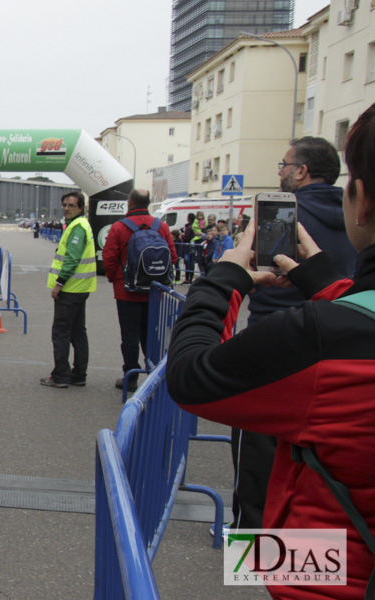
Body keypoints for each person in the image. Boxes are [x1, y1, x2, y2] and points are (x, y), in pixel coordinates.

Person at [167, 103, 375, 600]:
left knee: (258, 524)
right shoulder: (339, 319)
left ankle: (249, 555)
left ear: (360, 199)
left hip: (338, 571)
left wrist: (224, 277)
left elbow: (191, 376)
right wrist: (325, 282)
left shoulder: (324, 338)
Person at [227, 136, 360, 534]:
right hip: (344, 342)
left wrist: (224, 278)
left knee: (259, 457)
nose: (280, 173)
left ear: (301, 171)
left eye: (283, 166)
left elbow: (191, 377)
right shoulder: (355, 215)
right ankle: (311, 549)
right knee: (325, 460)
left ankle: (255, 547)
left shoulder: (282, 214)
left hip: (275, 344)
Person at [100, 189, 177, 392]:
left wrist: (116, 279)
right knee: (151, 333)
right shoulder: (162, 227)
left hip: (126, 291)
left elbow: (108, 258)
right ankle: (155, 377)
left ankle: (131, 376)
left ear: (130, 202)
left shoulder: (118, 227)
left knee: (130, 334)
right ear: (149, 203)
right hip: (155, 290)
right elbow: (173, 256)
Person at [40, 192, 96, 388]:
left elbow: (72, 259)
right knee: (78, 332)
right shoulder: (79, 225)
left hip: (71, 289)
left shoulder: (78, 227)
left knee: (61, 332)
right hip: (80, 288)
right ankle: (79, 374)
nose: (66, 208)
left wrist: (59, 284)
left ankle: (61, 375)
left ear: (81, 208)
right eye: (64, 205)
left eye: (71, 205)